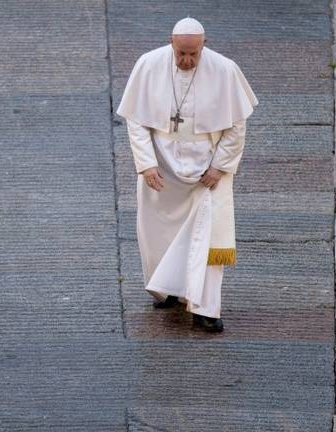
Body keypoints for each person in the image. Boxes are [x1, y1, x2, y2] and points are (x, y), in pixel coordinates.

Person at [116, 17, 258, 332]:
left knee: (208, 239)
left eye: (193, 54)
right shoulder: (149, 65)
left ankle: (206, 308)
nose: (186, 60)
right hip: (162, 169)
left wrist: (220, 166)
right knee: (158, 233)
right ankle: (167, 289)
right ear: (172, 43)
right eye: (181, 53)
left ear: (203, 45)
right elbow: (136, 120)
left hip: (208, 172)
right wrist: (146, 163)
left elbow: (237, 126)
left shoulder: (224, 70)